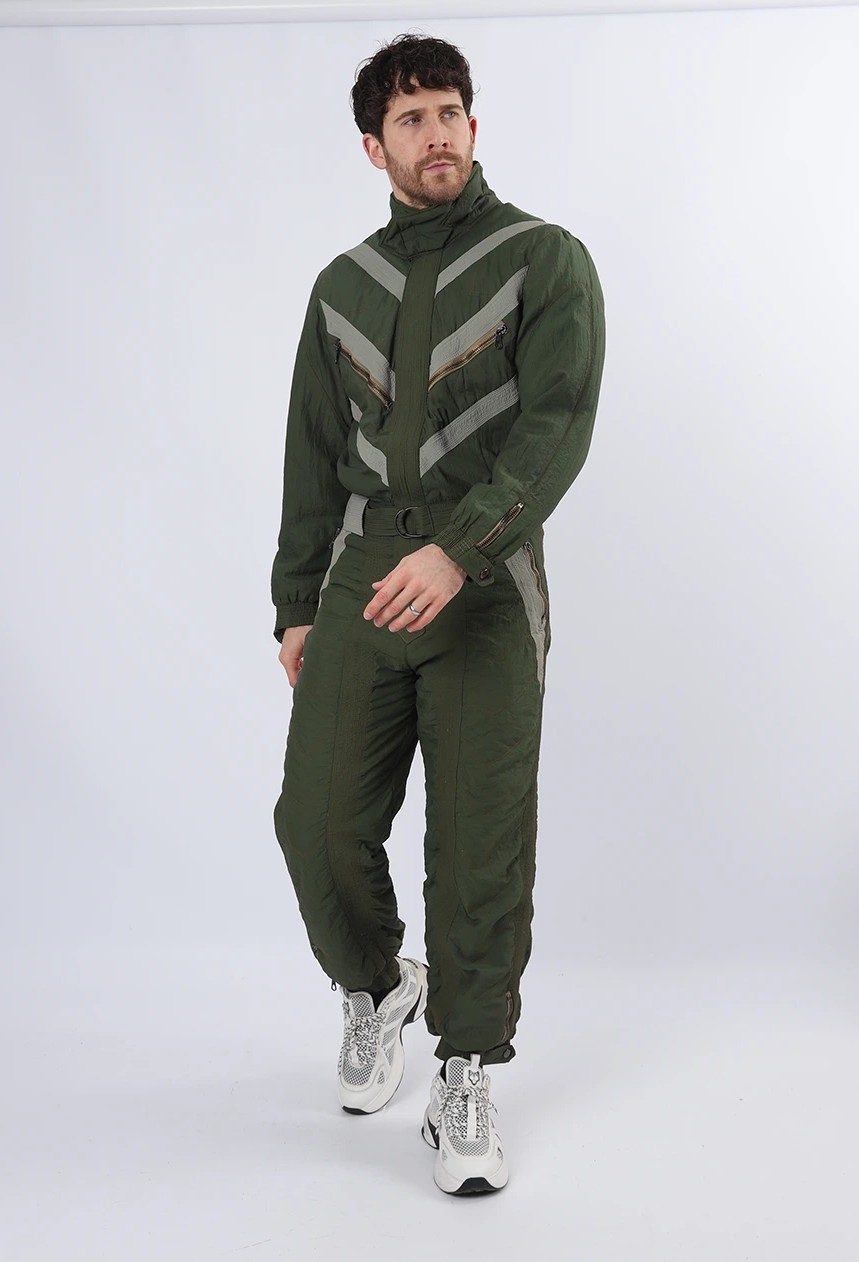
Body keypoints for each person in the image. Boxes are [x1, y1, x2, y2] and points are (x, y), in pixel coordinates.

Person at [270, 32, 606, 1195]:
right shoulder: (342, 287)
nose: (437, 134)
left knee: (478, 843)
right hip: (365, 575)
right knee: (314, 820)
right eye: (410, 120)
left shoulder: (544, 259)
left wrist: (464, 550)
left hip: (489, 581)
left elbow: (554, 427)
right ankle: (378, 987)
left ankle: (465, 1070)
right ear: (375, 147)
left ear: (474, 122)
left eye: (450, 111)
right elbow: (313, 455)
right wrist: (296, 603)